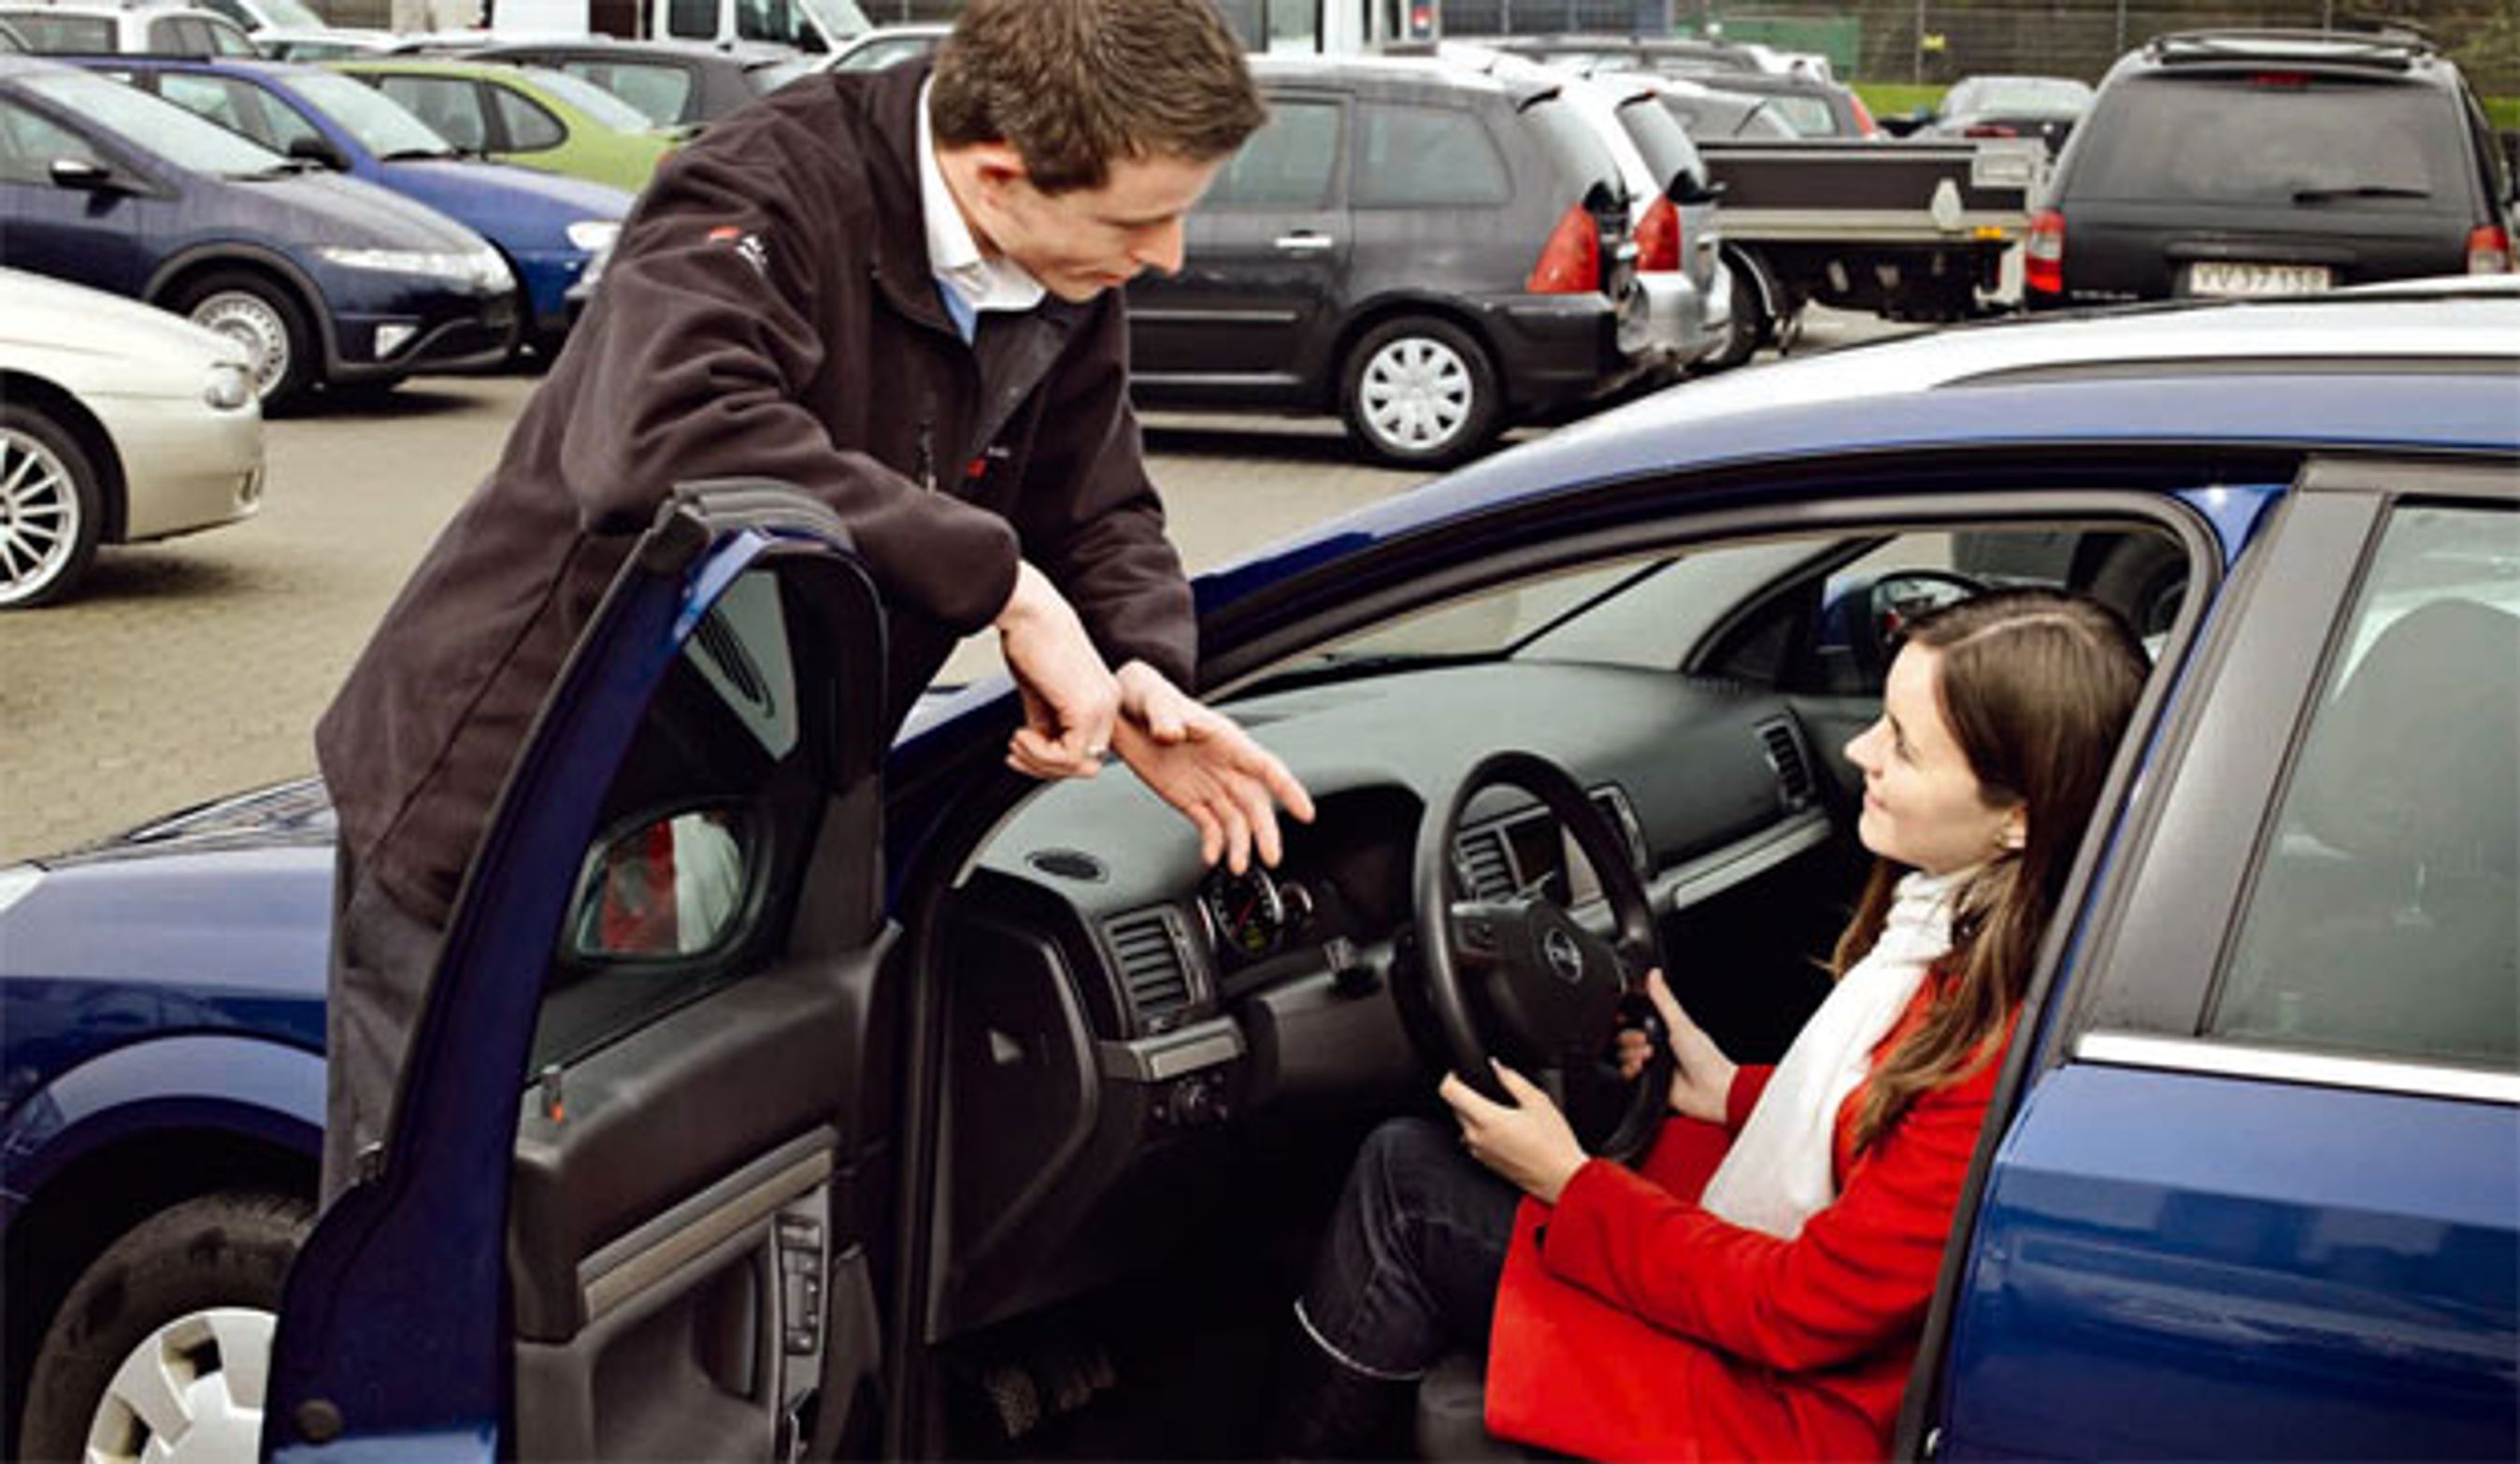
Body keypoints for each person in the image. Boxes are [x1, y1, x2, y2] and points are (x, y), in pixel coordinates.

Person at [311, 0, 1312, 1201]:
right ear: (996, 177)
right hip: (518, 796)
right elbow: (666, 434)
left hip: (749, 807)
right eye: (1143, 220)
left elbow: (1096, 506)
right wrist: (999, 586)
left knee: (697, 1211)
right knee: (446, 1229)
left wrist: (1141, 658)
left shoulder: (1055, 260)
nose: (1167, 258)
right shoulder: (761, 192)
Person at [1284, 588, 2150, 1458]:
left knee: (1404, 1182)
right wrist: (1730, 1091)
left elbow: (1798, 1311)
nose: (1860, 751)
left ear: (2017, 819)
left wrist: (1570, 1182)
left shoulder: (1988, 1037)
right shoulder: (1971, 939)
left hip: (1795, 1409)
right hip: (1813, 1337)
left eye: (1905, 746)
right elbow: (1882, 1125)